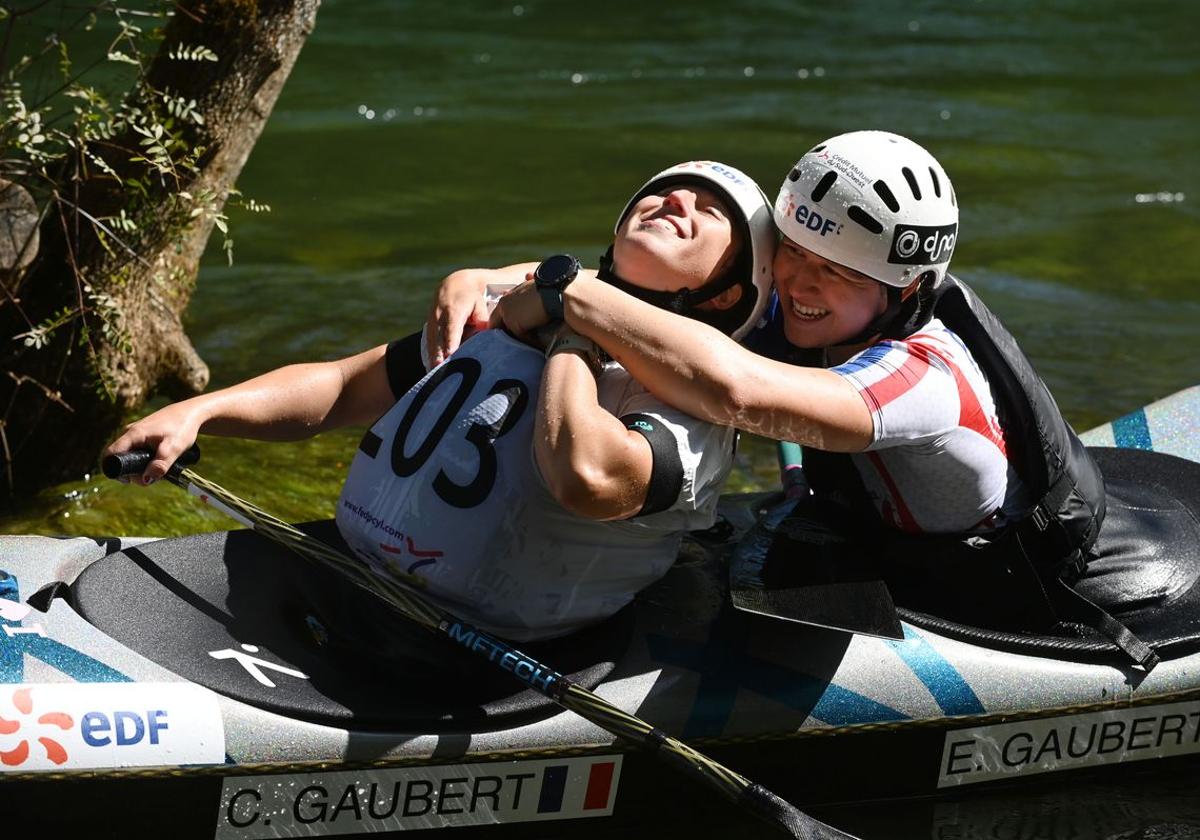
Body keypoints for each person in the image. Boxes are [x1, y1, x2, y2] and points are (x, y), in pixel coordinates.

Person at [436, 132, 1153, 667]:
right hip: (866, 531)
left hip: (987, 577)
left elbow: (735, 391)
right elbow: (646, 294)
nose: (802, 287)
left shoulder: (924, 378)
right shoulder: (815, 304)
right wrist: (497, 277)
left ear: (904, 288)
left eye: (836, 273)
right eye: (795, 257)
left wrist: (566, 302)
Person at [105, 160, 776, 642]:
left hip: (489, 647)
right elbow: (343, 388)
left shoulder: (696, 396)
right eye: (663, 192)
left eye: (708, 209)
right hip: (354, 576)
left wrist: (575, 339)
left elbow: (591, 478)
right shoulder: (513, 312)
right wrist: (200, 413)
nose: (676, 202)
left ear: (724, 294)